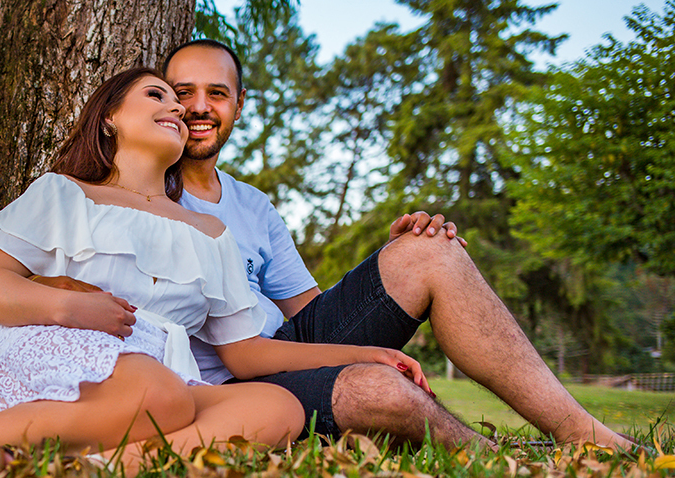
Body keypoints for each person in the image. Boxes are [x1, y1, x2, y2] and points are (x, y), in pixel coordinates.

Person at [38, 39, 628, 451]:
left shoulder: (252, 205)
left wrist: (384, 274)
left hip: (282, 348)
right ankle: (487, 453)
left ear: (237, 107)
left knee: (430, 250)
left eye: (216, 93)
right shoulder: (133, 198)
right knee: (378, 391)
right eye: (179, 91)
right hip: (220, 384)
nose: (196, 107)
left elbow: (310, 311)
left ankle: (583, 432)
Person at [0, 68, 431, 473]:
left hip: (160, 376)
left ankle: (88, 473)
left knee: (278, 408)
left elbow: (246, 355)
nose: (176, 108)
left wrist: (368, 352)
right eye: (157, 95)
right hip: (54, 345)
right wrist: (72, 305)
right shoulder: (65, 193)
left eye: (177, 102)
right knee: (164, 395)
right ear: (109, 116)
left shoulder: (211, 235)